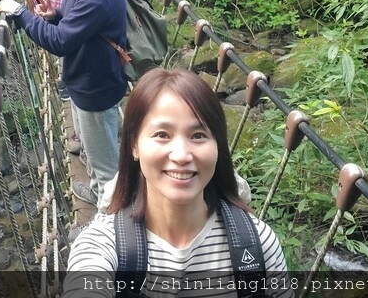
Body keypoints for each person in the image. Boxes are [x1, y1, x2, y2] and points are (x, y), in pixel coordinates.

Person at [64, 68, 293, 298]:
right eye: (162, 134)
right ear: (134, 145)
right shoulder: (103, 246)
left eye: (198, 136)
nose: (182, 155)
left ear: (218, 147)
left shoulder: (256, 245)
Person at [0, 0, 127, 208]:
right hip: (84, 79)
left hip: (97, 87)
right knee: (91, 151)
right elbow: (76, 23)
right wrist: (55, 15)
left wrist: (21, 12)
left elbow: (59, 42)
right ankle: (96, 193)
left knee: (107, 169)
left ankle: (109, 222)